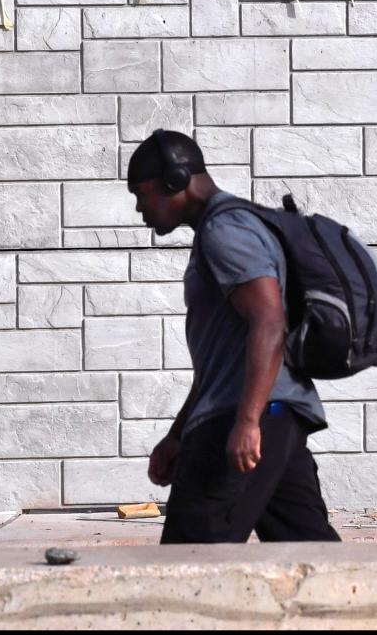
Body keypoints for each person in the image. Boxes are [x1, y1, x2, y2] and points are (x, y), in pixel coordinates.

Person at [125, 129, 340, 545]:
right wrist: (177, 434)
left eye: (142, 194)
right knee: (309, 555)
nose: (139, 209)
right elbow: (222, 360)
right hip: (275, 414)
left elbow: (268, 320)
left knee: (188, 562)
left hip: (247, 417)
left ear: (175, 180)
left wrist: (246, 421)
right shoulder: (234, 225)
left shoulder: (225, 230)